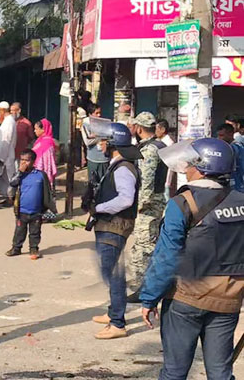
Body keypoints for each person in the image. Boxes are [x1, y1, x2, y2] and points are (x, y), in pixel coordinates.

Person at [140, 138, 243, 380]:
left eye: (189, 164)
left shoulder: (183, 203)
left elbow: (167, 257)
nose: (185, 169)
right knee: (220, 373)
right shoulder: (241, 201)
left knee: (174, 372)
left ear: (201, 167)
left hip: (186, 299)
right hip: (228, 300)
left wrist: (149, 297)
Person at [88, 121, 142, 340]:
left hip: (115, 225)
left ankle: (118, 323)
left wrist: (99, 208)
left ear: (112, 143)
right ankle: (113, 313)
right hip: (110, 224)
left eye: (102, 141)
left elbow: (126, 199)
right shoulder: (116, 164)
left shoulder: (123, 168)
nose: (100, 145)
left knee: (113, 274)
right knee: (112, 270)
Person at [127, 112, 168, 301]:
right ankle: (143, 285)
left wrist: (139, 206)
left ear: (139, 128)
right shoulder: (156, 146)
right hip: (154, 202)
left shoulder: (150, 149)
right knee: (143, 245)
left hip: (148, 205)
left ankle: (146, 289)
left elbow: (147, 181)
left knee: (145, 246)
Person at [7, 149, 56, 260]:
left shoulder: (40, 175)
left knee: (35, 232)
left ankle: (33, 248)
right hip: (21, 210)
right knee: (19, 231)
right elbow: (12, 183)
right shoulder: (19, 175)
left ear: (33, 161)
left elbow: (48, 192)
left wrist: (49, 207)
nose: (24, 163)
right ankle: (16, 248)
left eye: (27, 160)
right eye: (22, 160)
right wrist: (20, 172)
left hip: (36, 211)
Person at [0, 101, 17, 204]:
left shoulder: (8, 122)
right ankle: (8, 197)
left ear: (1, 111)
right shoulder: (7, 121)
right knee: (4, 178)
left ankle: (11, 199)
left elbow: (6, 141)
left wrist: (1, 159)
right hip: (4, 156)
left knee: (9, 179)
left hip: (6, 156)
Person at [81, 104, 109, 183]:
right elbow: (87, 142)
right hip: (93, 159)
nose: (99, 115)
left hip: (104, 159)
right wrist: (102, 135)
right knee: (93, 183)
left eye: (100, 113)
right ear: (90, 114)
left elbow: (109, 137)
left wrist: (97, 136)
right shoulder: (86, 125)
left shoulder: (104, 124)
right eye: (96, 113)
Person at [217, 123, 244, 193]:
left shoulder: (233, 148)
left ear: (230, 134)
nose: (219, 138)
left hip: (236, 185)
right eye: (218, 135)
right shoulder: (237, 146)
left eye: (222, 135)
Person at [31, 119, 57, 191]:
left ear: (43, 129)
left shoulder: (47, 142)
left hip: (43, 171)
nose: (34, 131)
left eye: (36, 129)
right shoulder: (41, 140)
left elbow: (46, 159)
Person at [156, 119, 176, 201]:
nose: (155, 131)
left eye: (156, 129)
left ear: (162, 130)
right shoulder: (160, 142)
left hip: (165, 179)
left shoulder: (168, 143)